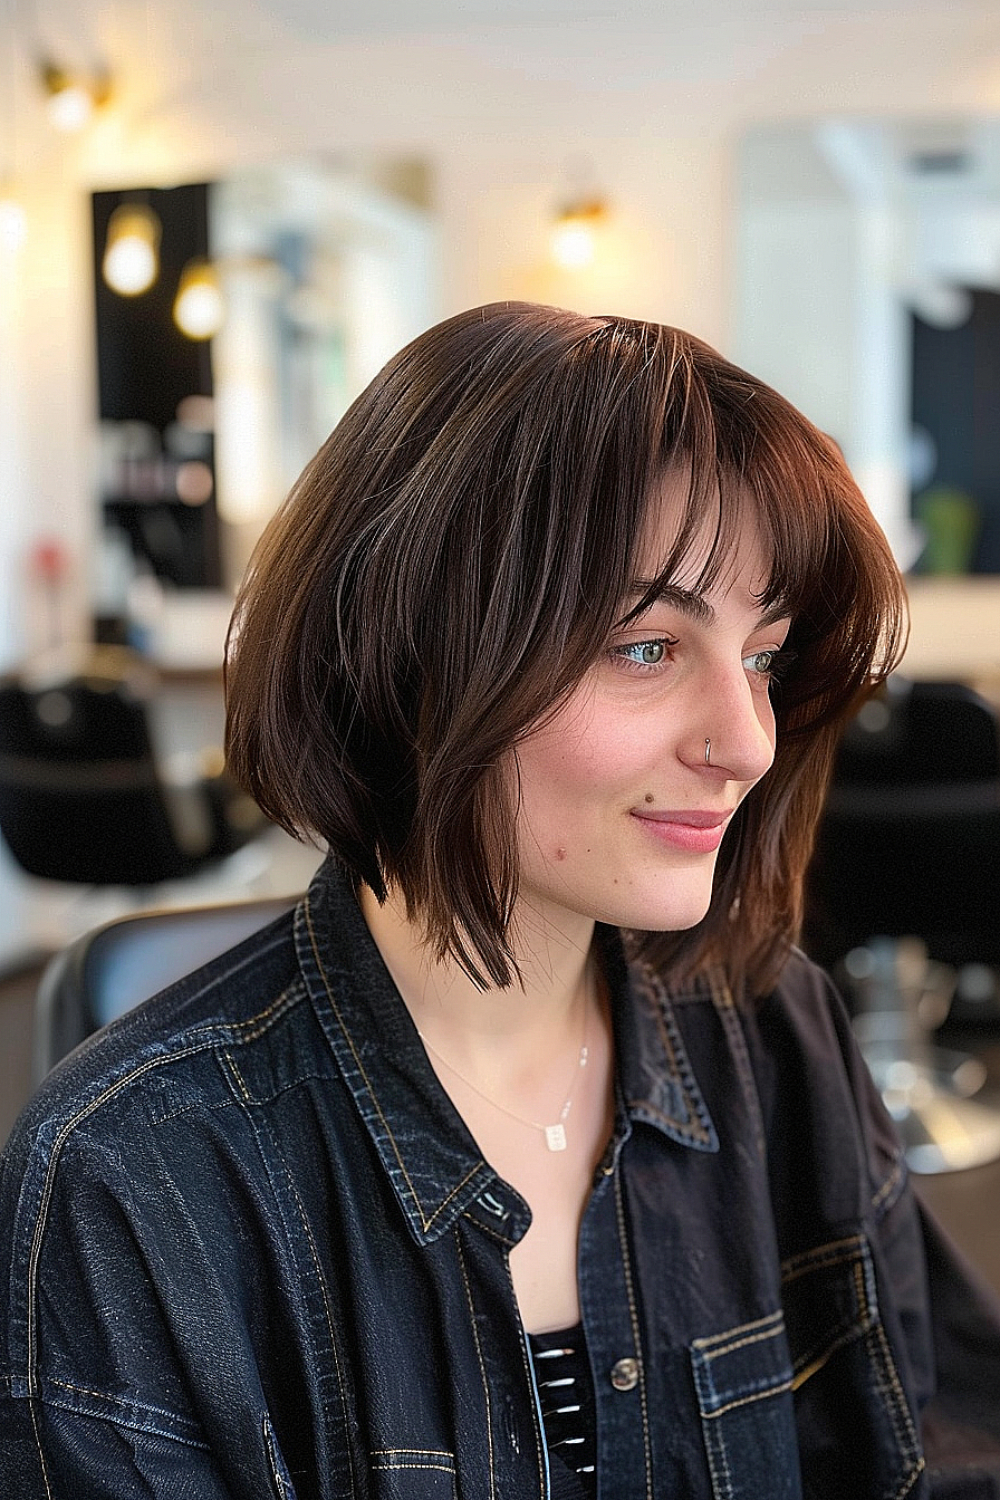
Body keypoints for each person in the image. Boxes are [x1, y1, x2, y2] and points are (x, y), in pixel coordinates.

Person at [2, 302, 999, 1499]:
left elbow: (921, 1450)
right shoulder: (132, 1179)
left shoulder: (772, 1031)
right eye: (644, 646)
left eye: (763, 656)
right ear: (408, 648)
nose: (745, 743)